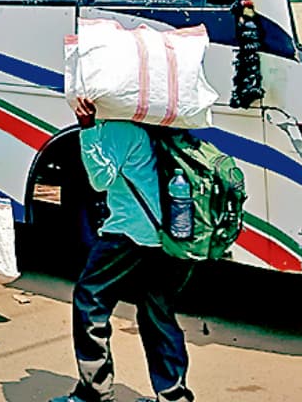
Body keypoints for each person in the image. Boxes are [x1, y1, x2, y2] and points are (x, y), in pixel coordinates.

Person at [49, 98, 195, 402]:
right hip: (166, 234)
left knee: (90, 301)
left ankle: (94, 392)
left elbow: (100, 180)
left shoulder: (120, 129)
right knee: (157, 313)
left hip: (129, 232)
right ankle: (173, 394)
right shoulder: (159, 127)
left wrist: (87, 129)